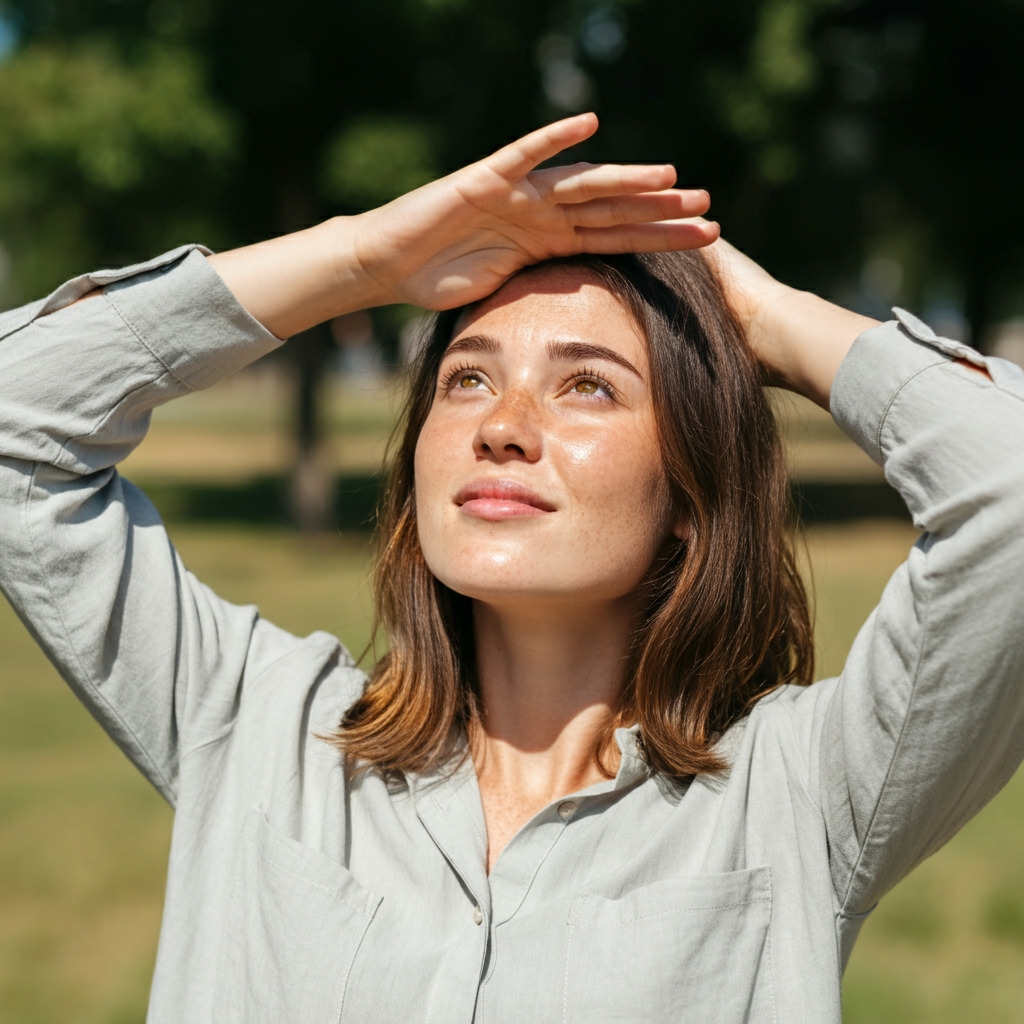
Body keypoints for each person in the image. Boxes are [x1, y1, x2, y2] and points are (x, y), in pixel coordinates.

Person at [1, 112, 1022, 1023]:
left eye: (587, 386)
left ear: (688, 495)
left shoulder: (798, 798)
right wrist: (364, 260)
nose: (502, 426)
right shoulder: (257, 727)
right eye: (468, 377)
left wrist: (759, 318)